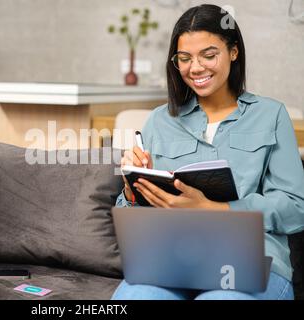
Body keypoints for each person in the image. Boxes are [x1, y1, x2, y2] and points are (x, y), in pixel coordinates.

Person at [112, 4, 304, 300]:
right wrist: (131, 186)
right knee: (134, 297)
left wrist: (217, 210)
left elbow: (296, 207)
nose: (196, 68)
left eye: (209, 55)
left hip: (251, 263)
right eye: (184, 59)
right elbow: (131, 216)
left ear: (233, 52)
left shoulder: (271, 115)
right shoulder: (159, 120)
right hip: (173, 262)